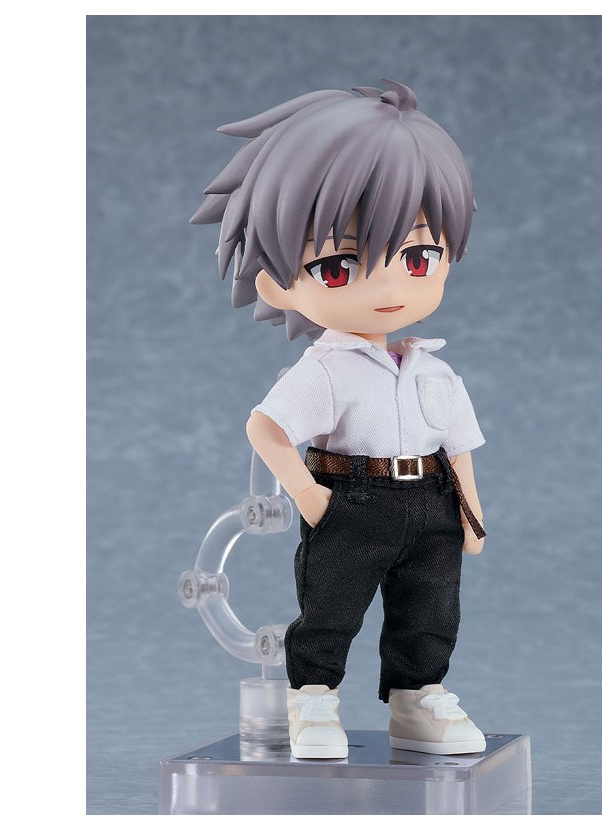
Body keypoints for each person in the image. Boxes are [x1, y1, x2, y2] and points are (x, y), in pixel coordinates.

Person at [192, 80, 487, 759]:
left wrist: (470, 515)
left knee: (430, 608)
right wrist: (308, 495)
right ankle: (314, 699)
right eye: (337, 266)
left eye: (418, 257)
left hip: (432, 499)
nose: (390, 287)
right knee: (331, 608)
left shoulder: (433, 368)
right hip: (352, 498)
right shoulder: (326, 369)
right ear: (276, 284)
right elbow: (266, 427)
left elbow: (459, 444)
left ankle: (418, 697)